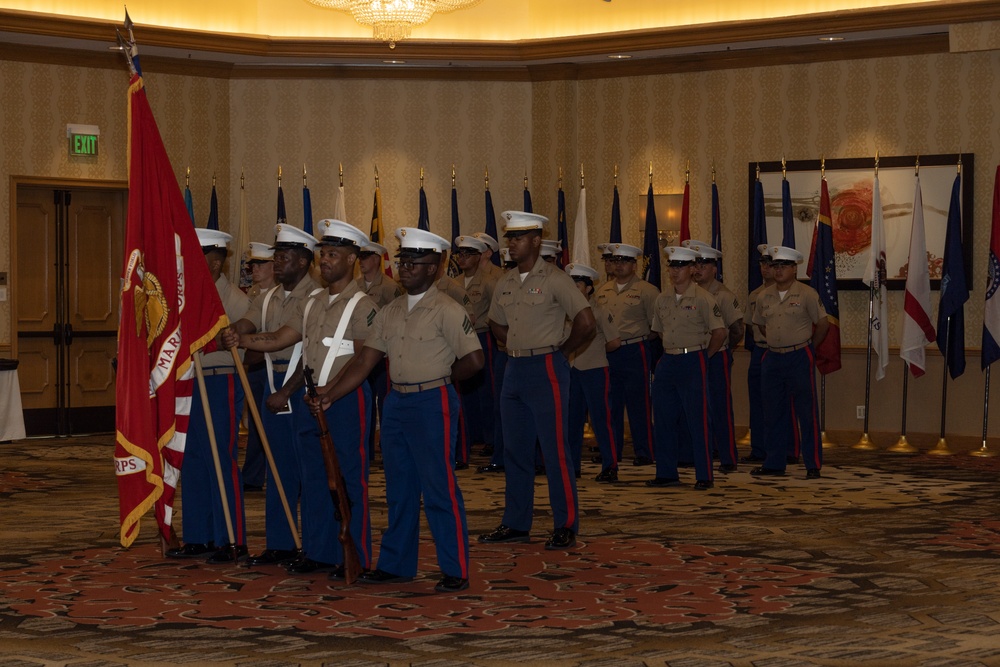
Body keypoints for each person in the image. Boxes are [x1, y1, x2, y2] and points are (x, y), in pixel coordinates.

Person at [310, 227, 484, 593]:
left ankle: (455, 568)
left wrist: (443, 378)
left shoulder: (447, 309)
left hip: (432, 401)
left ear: (434, 267)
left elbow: (475, 359)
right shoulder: (389, 311)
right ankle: (396, 564)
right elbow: (363, 363)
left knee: (439, 487)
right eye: (403, 261)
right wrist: (330, 393)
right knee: (399, 487)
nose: (405, 268)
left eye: (414, 263)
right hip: (396, 403)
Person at [232, 219, 377, 576]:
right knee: (314, 478)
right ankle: (319, 551)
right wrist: (242, 340)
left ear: (352, 259)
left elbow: (363, 359)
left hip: (346, 399)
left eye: (333, 254)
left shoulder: (363, 305)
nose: (324, 260)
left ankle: (353, 555)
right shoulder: (312, 302)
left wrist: (333, 392)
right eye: (323, 254)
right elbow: (284, 340)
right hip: (314, 399)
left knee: (347, 479)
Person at [479, 211, 595, 550]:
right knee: (516, 451)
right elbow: (495, 321)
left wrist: (561, 352)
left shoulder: (556, 278)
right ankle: (516, 522)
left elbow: (586, 322)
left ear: (534, 241)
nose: (511, 243)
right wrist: (512, 340)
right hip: (514, 369)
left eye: (517, 238)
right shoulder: (506, 280)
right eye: (508, 237)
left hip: (547, 367)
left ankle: (566, 524)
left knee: (555, 451)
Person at [224, 225, 319, 567]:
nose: (276, 262)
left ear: (305, 260)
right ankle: (280, 542)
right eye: (276, 256)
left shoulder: (314, 298)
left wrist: (242, 342)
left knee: (306, 469)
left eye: (284, 256)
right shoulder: (269, 296)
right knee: (278, 466)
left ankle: (312, 545)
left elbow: (282, 339)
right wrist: (233, 332)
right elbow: (248, 322)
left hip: (300, 385)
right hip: (271, 381)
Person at [168, 228, 250, 563]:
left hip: (219, 381)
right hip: (189, 380)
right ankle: (198, 536)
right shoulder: (186, 296)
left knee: (221, 458)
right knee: (193, 460)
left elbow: (228, 340)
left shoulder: (234, 300)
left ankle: (230, 537)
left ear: (214, 264)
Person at [646, 245, 726, 491]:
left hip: (693, 359)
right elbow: (658, 331)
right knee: (663, 418)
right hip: (668, 361)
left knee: (698, 419)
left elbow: (719, 332)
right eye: (672, 266)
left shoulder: (703, 297)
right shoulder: (662, 298)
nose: (674, 271)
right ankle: (666, 473)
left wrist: (704, 356)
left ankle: (704, 474)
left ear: (692, 269)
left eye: (680, 266)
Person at [750, 245, 829, 479]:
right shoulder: (763, 296)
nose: (778, 270)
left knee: (807, 411)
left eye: (784, 266)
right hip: (772, 357)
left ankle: (812, 464)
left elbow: (823, 324)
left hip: (799, 355)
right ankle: (774, 462)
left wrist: (809, 347)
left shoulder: (807, 294)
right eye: (775, 266)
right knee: (772, 412)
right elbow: (761, 325)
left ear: (795, 269)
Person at [594, 242, 658, 466]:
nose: (619, 265)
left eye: (625, 261)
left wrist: (635, 340)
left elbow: (656, 327)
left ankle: (644, 451)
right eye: (616, 261)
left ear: (634, 264)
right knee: (611, 404)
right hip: (607, 352)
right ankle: (612, 451)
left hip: (634, 350)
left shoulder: (648, 291)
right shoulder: (602, 291)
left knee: (638, 404)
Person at [686, 240, 744, 473]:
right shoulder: (687, 293)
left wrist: (721, 350)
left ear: (714, 268)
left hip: (715, 357)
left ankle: (728, 457)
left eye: (703, 264)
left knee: (719, 407)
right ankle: (700, 452)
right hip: (691, 356)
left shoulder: (723, 295)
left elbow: (737, 329)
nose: (698, 268)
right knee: (694, 407)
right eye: (695, 263)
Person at [565, 263, 621, 482]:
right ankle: (573, 466)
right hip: (572, 370)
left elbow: (614, 342)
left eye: (577, 284)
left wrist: (595, 351)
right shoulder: (565, 311)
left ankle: (610, 466)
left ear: (588, 288)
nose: (573, 288)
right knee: (572, 421)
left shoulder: (599, 311)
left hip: (595, 370)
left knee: (600, 420)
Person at [356, 240, 403, 464]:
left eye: (365, 257)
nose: (361, 262)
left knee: (384, 402)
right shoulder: (354, 286)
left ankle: (388, 448)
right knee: (363, 402)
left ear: (376, 259)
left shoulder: (389, 287)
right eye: (360, 258)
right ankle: (366, 449)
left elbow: (397, 319)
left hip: (382, 354)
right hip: (360, 352)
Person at [455, 234, 499, 466]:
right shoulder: (454, 281)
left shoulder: (490, 281)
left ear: (479, 256)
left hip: (483, 336)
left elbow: (497, 314)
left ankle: (491, 438)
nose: (461, 258)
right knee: (465, 390)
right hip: (461, 339)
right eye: (459, 254)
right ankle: (471, 436)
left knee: (487, 389)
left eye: (467, 254)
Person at [242, 242, 275, 492]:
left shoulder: (281, 294)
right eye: (252, 264)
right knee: (255, 421)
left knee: (272, 424)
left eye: (260, 264)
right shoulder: (252, 294)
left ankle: (272, 474)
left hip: (273, 364)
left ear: (273, 267)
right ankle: (252, 475)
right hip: (254, 364)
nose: (254, 268)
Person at [742, 244, 774, 464]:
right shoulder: (754, 295)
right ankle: (759, 449)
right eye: (762, 264)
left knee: (780, 403)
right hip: (758, 351)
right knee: (757, 402)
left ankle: (786, 450)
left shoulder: (791, 294)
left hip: (778, 352)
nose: (765, 268)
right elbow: (747, 325)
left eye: (770, 264)